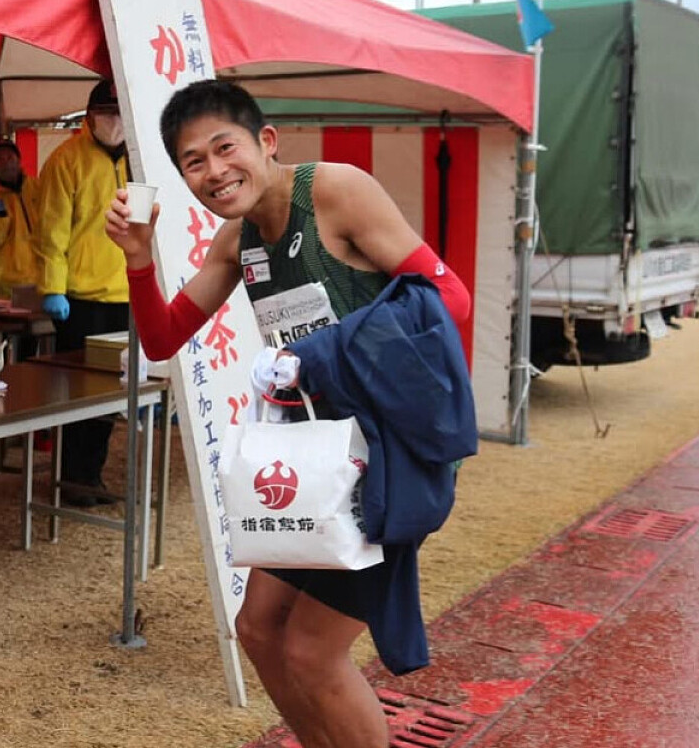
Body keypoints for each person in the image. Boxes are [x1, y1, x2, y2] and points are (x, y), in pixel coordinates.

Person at [104, 81, 470, 748]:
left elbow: (450, 299)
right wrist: (137, 258)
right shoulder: (236, 240)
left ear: (266, 141)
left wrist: (319, 355)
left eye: (226, 148)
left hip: (385, 458)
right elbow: (162, 339)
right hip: (315, 464)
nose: (215, 171)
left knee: (312, 652)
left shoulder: (336, 192)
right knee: (255, 629)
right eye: (193, 162)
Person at [38, 80, 129, 506]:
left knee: (111, 394)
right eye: (105, 112)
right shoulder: (66, 160)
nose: (113, 121)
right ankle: (71, 477)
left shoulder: (137, 160)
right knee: (78, 394)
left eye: (119, 111)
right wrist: (53, 288)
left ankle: (91, 475)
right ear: (89, 115)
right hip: (80, 298)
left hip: (126, 294)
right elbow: (51, 232)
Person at [0, 138, 43, 300]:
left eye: (9, 157)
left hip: (45, 278)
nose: (6, 163)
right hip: (10, 285)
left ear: (19, 160)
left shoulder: (39, 188)